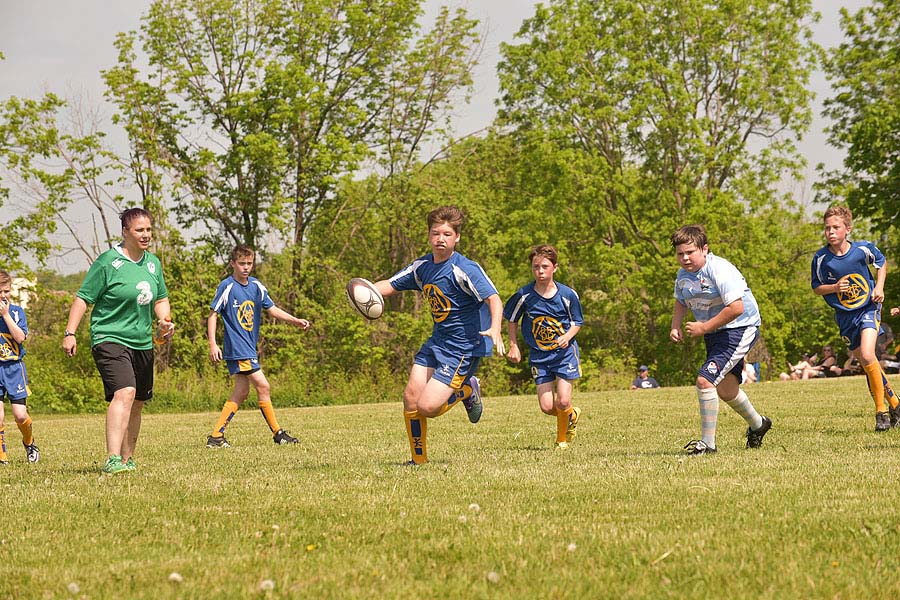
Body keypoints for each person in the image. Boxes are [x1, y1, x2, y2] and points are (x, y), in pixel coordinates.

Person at [372, 206, 504, 465]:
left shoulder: (465, 268)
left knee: (428, 407)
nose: (440, 239)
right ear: (429, 235)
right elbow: (389, 285)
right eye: (435, 233)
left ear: (457, 237)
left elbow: (493, 298)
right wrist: (361, 290)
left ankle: (467, 390)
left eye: (447, 234)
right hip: (437, 343)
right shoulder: (422, 267)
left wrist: (496, 329)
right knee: (411, 398)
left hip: (463, 348)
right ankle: (418, 461)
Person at [63, 208, 174, 474]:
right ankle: (112, 458)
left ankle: (127, 458)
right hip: (109, 336)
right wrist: (70, 333)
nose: (145, 235)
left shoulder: (153, 264)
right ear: (125, 232)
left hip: (142, 341)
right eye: (139, 230)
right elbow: (83, 298)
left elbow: (160, 298)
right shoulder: (107, 262)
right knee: (125, 392)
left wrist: (163, 320)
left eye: (148, 229)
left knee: (138, 401)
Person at [669, 224, 772, 455]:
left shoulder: (720, 269)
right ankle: (759, 425)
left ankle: (708, 444)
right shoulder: (684, 275)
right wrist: (675, 325)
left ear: (705, 249)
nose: (685, 258)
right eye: (680, 254)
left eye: (690, 252)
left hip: (740, 327)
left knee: (705, 381)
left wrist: (703, 327)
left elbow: (736, 308)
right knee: (726, 390)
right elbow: (680, 300)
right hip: (716, 332)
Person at [206, 245, 311, 448]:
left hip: (248, 347)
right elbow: (213, 314)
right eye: (242, 263)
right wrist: (213, 343)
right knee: (263, 386)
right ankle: (278, 434)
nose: (246, 267)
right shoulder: (227, 286)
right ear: (233, 264)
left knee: (241, 391)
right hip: (238, 348)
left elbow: (272, 309)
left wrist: (295, 320)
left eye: (249, 263)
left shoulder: (256, 286)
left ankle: (216, 436)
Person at [811, 204, 899, 431]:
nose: (831, 232)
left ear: (847, 229)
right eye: (827, 228)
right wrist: (834, 287)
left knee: (869, 355)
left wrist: (879, 287)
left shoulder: (862, 249)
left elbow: (881, 263)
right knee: (869, 364)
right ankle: (896, 405)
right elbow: (817, 287)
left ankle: (881, 413)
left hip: (868, 308)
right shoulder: (821, 259)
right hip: (845, 317)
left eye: (836, 227)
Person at [504, 244, 583, 449]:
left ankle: (561, 441)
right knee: (548, 407)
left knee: (562, 401)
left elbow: (577, 322)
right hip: (539, 356)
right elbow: (511, 319)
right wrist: (513, 345)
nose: (540, 271)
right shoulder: (524, 295)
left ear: (555, 267)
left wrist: (567, 336)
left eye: (545, 267)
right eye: (536, 267)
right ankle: (571, 415)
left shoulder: (567, 295)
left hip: (565, 354)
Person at [0, 270, 40, 464]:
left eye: (6, 291)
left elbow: (20, 337)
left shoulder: (16, 312)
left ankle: (29, 442)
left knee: (20, 415)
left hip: (14, 368)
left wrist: (5, 315)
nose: (3, 296)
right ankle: (2, 456)